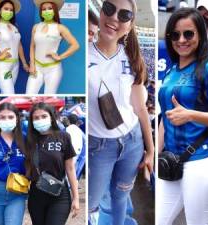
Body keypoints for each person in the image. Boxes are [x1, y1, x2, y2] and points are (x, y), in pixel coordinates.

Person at [157, 8, 208, 225]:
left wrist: (190, 115)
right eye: (175, 34)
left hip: (202, 163)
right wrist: (155, 154)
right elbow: (166, 117)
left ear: (200, 35)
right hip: (171, 162)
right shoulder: (171, 71)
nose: (181, 40)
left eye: (188, 34)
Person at [87, 1, 154, 225]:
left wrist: (150, 149)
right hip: (98, 147)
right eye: (109, 8)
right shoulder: (82, 58)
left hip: (132, 143)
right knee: (91, 201)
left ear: (130, 24)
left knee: (120, 196)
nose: (114, 17)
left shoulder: (133, 59)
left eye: (124, 15)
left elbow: (139, 107)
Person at [25, 102, 79, 225]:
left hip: (60, 194)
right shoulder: (29, 140)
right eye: (36, 118)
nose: (40, 120)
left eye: (44, 116)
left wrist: (76, 197)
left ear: (52, 117)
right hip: (36, 194)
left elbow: (70, 169)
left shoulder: (63, 137)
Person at [25, 0, 79, 94]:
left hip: (53, 70)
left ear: (55, 10)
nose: (46, 11)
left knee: (49, 97)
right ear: (41, 12)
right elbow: (32, 46)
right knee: (29, 94)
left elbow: (75, 45)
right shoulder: (36, 27)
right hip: (37, 68)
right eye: (44, 9)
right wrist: (32, 64)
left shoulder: (60, 28)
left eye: (50, 8)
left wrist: (60, 57)